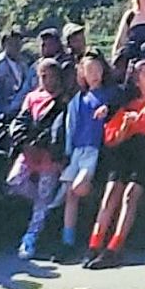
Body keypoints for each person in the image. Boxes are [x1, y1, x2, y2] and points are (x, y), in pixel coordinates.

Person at [84, 59, 145, 270]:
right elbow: (113, 140)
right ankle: (94, 245)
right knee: (111, 194)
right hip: (124, 153)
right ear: (137, 81)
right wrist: (126, 125)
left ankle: (114, 249)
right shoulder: (126, 105)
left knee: (130, 195)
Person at [54, 50, 119, 262]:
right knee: (70, 195)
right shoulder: (78, 99)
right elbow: (71, 127)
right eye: (89, 70)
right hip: (78, 151)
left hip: (94, 150)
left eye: (97, 69)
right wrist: (67, 151)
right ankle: (67, 240)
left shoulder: (109, 94)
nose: (93, 74)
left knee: (78, 187)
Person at [6, 58, 68, 260]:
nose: (45, 79)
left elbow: (58, 129)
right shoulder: (32, 97)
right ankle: (43, 204)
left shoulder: (63, 100)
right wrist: (24, 142)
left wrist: (46, 147)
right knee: (14, 181)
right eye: (41, 75)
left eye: (48, 75)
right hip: (29, 151)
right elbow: (22, 121)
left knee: (44, 192)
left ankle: (31, 236)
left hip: (49, 155)